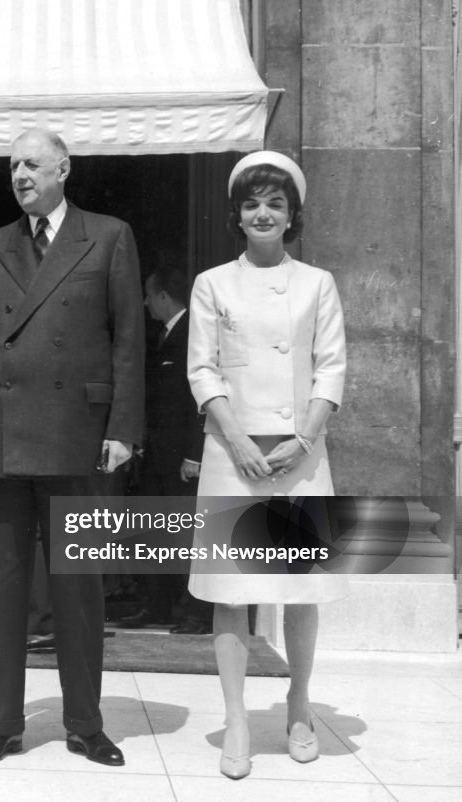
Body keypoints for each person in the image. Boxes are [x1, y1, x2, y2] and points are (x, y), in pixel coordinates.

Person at [0, 128, 144, 767]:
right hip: (1, 430)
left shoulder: (108, 236)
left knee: (78, 590)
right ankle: (1, 724)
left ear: (64, 169)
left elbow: (128, 342)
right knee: (3, 589)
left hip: (77, 435)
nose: (20, 174)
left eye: (32, 163)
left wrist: (122, 428)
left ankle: (85, 722)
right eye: (11, 166)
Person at [186, 151, 348, 780]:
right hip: (233, 453)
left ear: (291, 216)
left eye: (275, 204)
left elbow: (330, 365)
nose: (263, 213)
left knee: (300, 589)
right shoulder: (212, 284)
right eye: (252, 202)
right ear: (238, 214)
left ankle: (299, 702)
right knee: (232, 592)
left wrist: (303, 438)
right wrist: (238, 439)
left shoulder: (317, 283)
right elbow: (203, 368)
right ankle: (236, 717)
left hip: (300, 455)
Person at [117, 267, 211, 634]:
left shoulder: (193, 334)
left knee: (187, 536)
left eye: (147, 295)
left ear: (163, 297)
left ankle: (196, 614)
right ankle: (156, 606)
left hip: (182, 459)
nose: (144, 302)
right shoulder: (164, 335)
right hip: (158, 457)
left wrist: (195, 453)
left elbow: (199, 400)